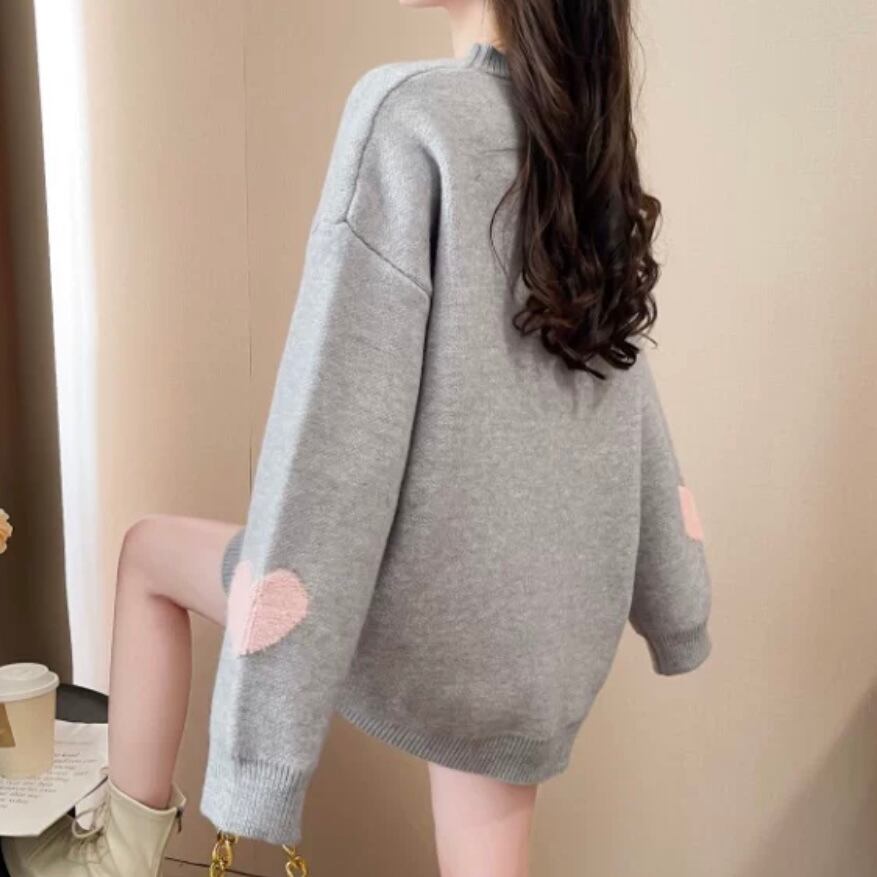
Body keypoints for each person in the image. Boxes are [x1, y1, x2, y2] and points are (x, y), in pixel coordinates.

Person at [2, 1, 713, 875]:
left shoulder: (411, 114)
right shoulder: (579, 142)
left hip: (433, 621)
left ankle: (114, 858)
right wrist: (678, 605)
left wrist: (260, 759)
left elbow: (334, 437)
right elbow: (628, 393)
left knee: (148, 552)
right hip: (545, 639)